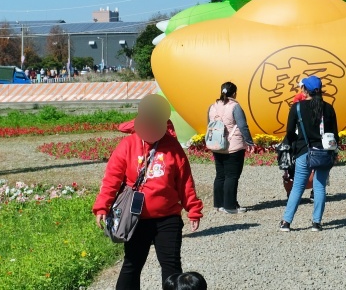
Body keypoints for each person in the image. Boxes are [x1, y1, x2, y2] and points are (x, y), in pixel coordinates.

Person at [94, 95, 203, 290]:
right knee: (132, 265)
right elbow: (112, 178)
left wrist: (193, 208)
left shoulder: (173, 147)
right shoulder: (127, 145)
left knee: (171, 268)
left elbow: (185, 181)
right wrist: (102, 206)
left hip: (168, 218)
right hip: (136, 218)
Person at [279, 75, 338, 233]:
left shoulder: (297, 108)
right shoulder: (328, 108)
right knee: (319, 187)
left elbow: (290, 132)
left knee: (298, 187)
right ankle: (316, 223)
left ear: (305, 90)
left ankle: (286, 222)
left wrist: (288, 146)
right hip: (324, 152)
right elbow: (335, 134)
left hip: (304, 151)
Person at [207, 81, 255, 214]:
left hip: (216, 144)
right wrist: (250, 142)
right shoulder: (235, 107)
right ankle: (230, 206)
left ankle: (219, 204)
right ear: (234, 93)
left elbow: (209, 124)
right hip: (233, 146)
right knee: (232, 176)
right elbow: (243, 126)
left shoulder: (212, 106)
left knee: (220, 175)